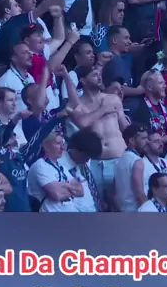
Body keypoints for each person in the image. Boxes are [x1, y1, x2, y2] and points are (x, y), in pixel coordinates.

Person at [70, 65, 128, 205]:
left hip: (118, 158)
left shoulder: (113, 99)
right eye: (94, 75)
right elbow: (82, 123)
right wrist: (103, 110)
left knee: (121, 203)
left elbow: (125, 127)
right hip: (95, 162)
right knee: (98, 203)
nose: (99, 77)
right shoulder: (77, 104)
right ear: (83, 80)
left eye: (100, 74)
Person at [27, 131, 84, 212]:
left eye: (62, 143)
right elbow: (57, 194)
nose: (63, 148)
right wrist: (69, 186)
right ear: (46, 146)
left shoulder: (61, 167)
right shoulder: (40, 165)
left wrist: (64, 186)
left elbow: (81, 191)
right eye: (58, 143)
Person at [59, 129, 102, 211]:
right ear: (76, 150)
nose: (87, 160)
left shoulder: (83, 166)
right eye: (85, 157)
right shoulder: (60, 164)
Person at [131, 69, 167, 142]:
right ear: (150, 87)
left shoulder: (166, 109)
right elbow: (143, 140)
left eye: (164, 83)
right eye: (161, 83)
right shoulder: (141, 110)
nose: (165, 86)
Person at [114, 124, 149, 211]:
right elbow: (140, 195)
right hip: (137, 211)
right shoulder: (137, 161)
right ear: (132, 140)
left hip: (124, 211)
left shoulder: (118, 161)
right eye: (143, 138)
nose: (147, 142)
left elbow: (114, 193)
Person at [142, 130, 167, 199]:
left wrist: (162, 189)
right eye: (156, 141)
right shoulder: (142, 165)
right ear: (146, 146)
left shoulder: (165, 162)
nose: (161, 144)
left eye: (161, 141)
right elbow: (147, 193)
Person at [0, 42, 35, 112]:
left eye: (29, 52)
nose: (30, 56)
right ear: (14, 58)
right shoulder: (5, 81)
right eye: (25, 53)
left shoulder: (30, 77)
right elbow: (0, 111)